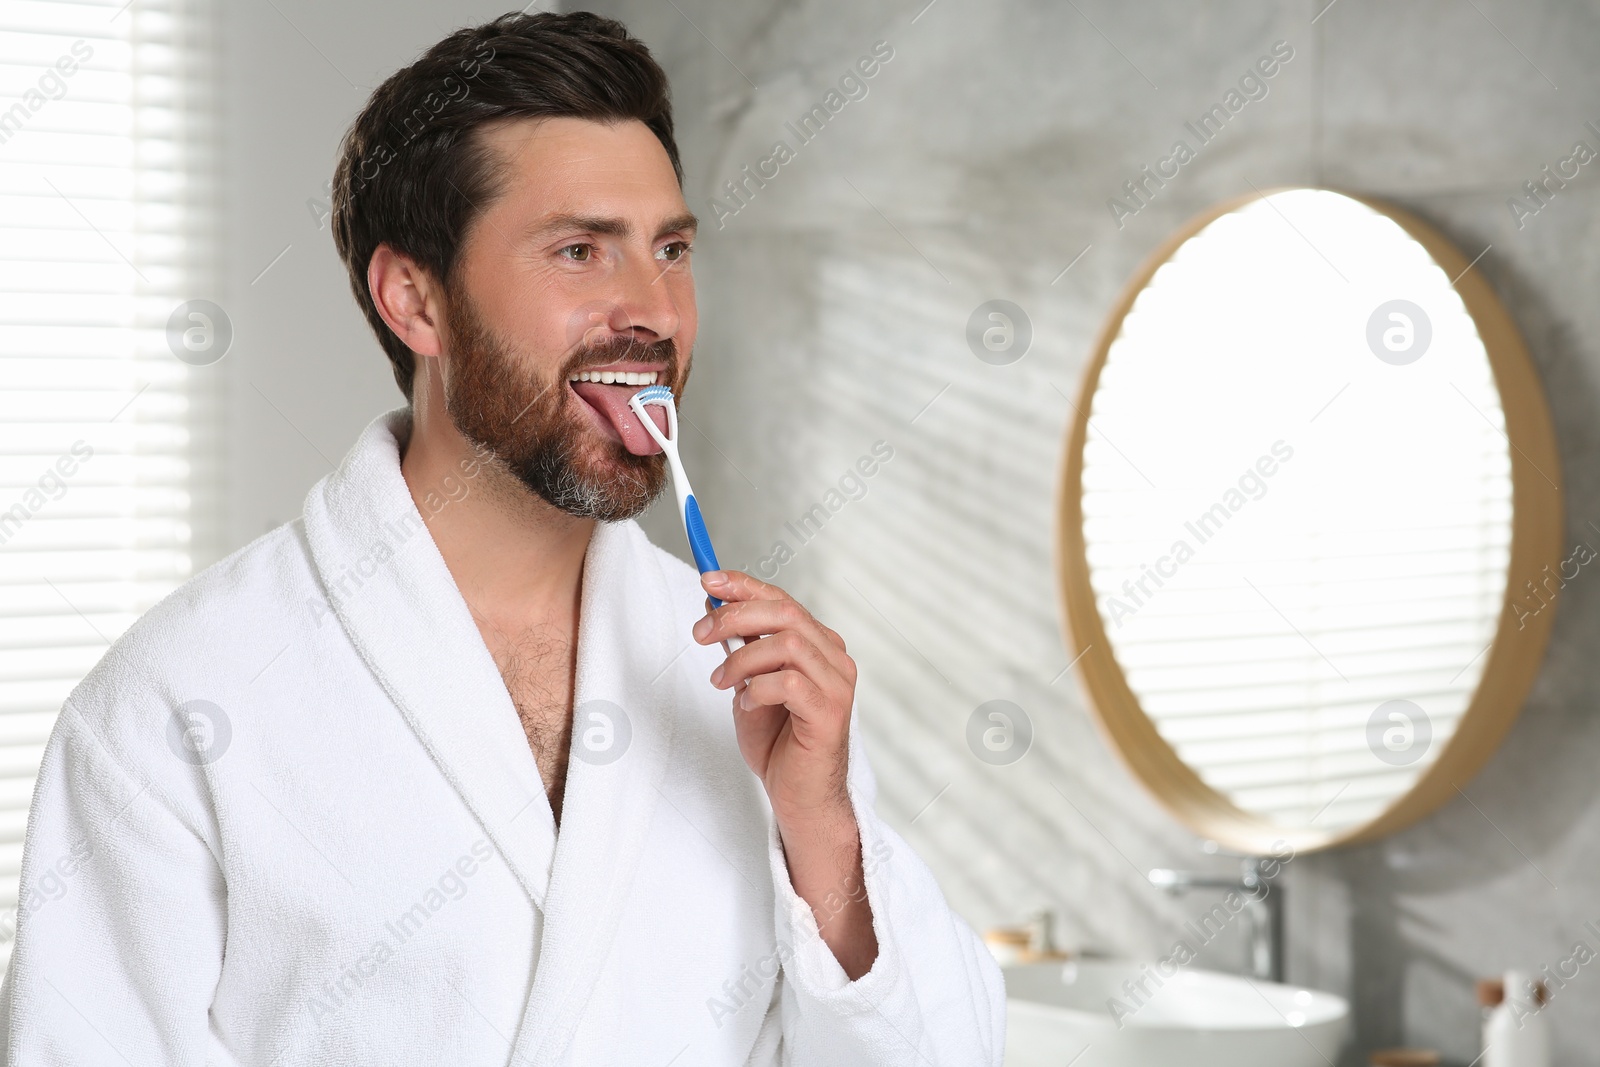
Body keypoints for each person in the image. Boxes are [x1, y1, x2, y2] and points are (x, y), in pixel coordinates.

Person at [0, 11, 1004, 1064]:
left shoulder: (745, 682)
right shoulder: (176, 703)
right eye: (579, 250)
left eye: (670, 248)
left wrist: (825, 832)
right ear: (414, 300)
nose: (653, 310)